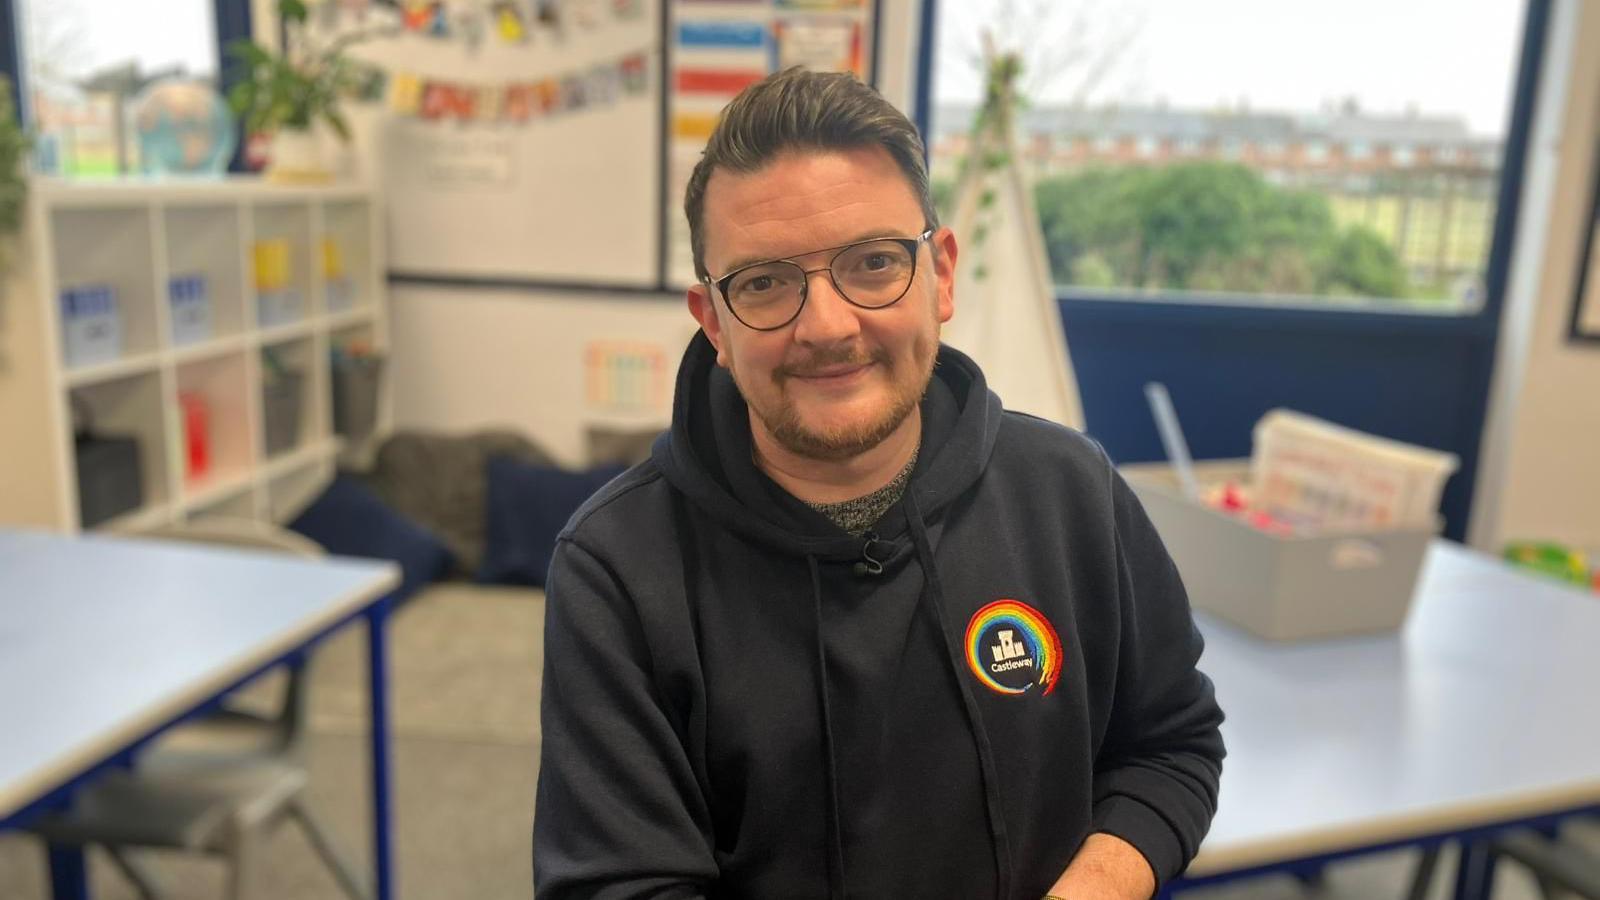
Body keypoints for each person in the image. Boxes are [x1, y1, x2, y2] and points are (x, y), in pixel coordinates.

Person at [533, 67, 1224, 900]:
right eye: (764, 283)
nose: (827, 326)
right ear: (712, 320)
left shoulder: (1072, 493)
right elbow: (621, 884)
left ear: (940, 275)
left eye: (871, 263)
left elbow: (1169, 744)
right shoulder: (616, 570)